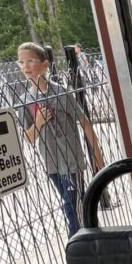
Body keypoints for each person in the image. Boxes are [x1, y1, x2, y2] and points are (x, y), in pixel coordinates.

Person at [16, 42, 104, 238]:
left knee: (71, 205)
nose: (26, 66)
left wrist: (97, 154)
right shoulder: (24, 100)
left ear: (45, 64)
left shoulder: (62, 92)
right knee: (75, 204)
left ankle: (76, 247)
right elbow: (28, 138)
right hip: (52, 163)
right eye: (21, 62)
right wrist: (38, 123)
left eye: (30, 60)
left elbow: (85, 123)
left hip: (71, 160)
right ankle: (91, 238)